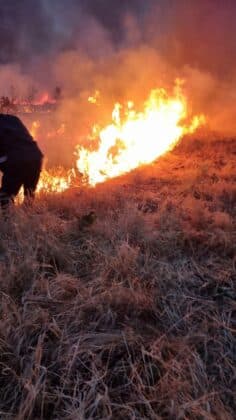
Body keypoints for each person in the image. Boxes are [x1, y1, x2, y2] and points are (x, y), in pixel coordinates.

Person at [0, 114, 43, 209]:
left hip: (16, 161)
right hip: (35, 157)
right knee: (29, 196)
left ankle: (9, 222)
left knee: (4, 199)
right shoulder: (13, 119)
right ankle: (29, 219)